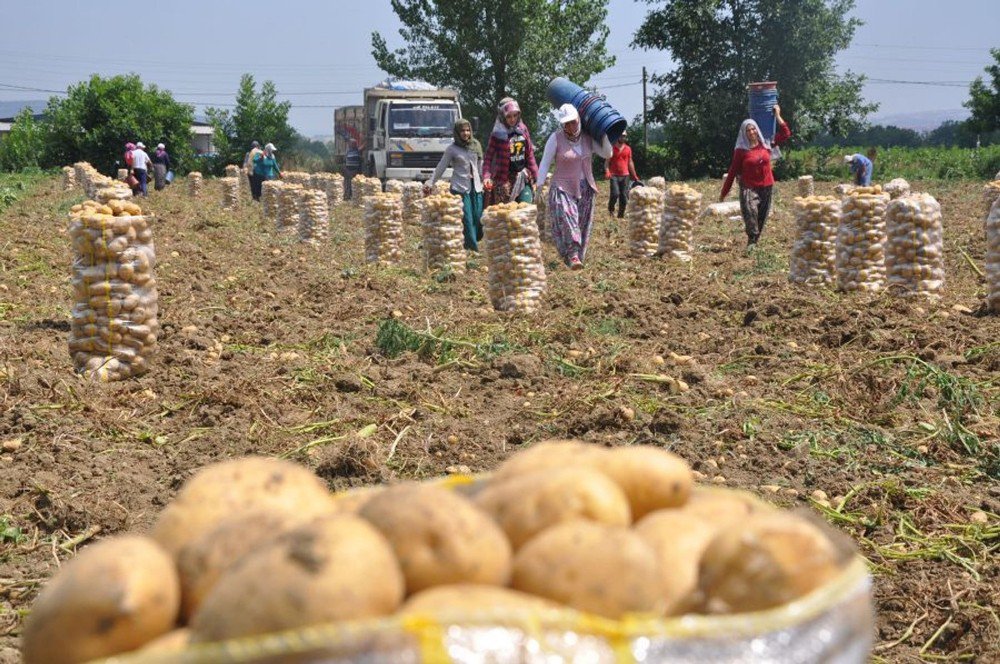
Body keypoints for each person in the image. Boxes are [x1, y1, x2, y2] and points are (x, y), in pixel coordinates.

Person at [536, 103, 613, 270]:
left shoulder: (587, 138)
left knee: (581, 224)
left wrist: (604, 132)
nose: (570, 127)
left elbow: (607, 153)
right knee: (569, 219)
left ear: (579, 119)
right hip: (562, 187)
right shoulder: (555, 138)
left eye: (573, 122)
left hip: (586, 187)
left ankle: (575, 255)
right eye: (566, 124)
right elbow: (544, 164)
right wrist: (539, 186)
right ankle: (573, 255)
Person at [720, 104, 791, 250]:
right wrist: (724, 193)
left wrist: (777, 115)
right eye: (748, 130)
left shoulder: (766, 144)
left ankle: (755, 241)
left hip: (766, 185)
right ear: (744, 133)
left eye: (753, 129)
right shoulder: (741, 151)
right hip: (749, 187)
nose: (751, 132)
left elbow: (786, 133)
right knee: (750, 212)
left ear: (757, 130)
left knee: (761, 217)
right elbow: (732, 172)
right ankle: (751, 240)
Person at [426, 119, 485, 251]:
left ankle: (471, 243)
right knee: (467, 219)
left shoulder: (476, 145)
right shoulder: (452, 149)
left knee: (477, 217)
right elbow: (441, 167)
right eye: (462, 131)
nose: (466, 133)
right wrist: (431, 182)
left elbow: (480, 166)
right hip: (460, 188)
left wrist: (486, 179)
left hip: (476, 187)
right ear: (457, 133)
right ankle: (471, 249)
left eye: (468, 130)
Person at [482, 98, 539, 207]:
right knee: (506, 217)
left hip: (522, 177)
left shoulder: (523, 130)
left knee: (525, 210)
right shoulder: (497, 134)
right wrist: (486, 176)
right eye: (508, 116)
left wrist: (537, 178)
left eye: (515, 115)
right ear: (503, 116)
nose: (512, 119)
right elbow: (488, 158)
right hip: (504, 181)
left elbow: (530, 155)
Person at [604, 131, 639, 218]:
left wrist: (634, 175)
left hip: (625, 175)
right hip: (614, 175)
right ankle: (611, 209)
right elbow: (606, 163)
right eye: (622, 136)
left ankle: (620, 215)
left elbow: (630, 162)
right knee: (615, 194)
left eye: (625, 136)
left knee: (624, 196)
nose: (623, 138)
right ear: (618, 136)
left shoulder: (628, 149)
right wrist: (607, 171)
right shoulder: (611, 148)